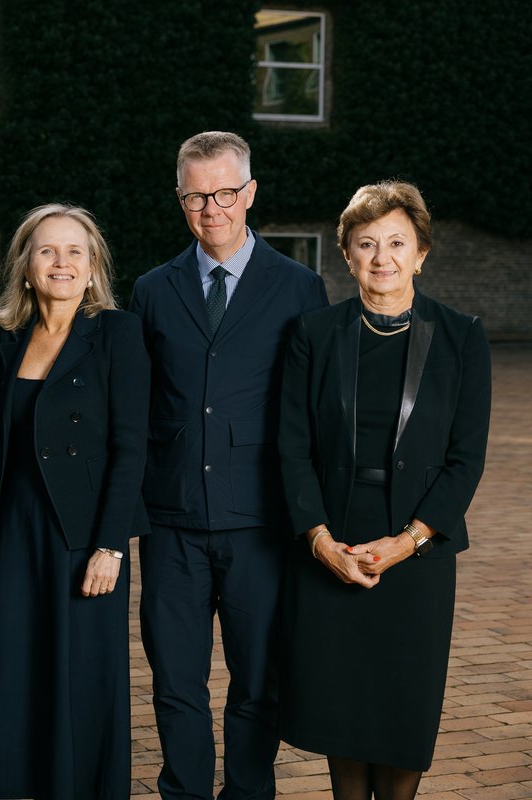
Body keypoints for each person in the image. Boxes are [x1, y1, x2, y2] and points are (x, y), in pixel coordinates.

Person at [128, 131, 329, 800]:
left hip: (261, 519)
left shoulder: (300, 288)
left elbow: (312, 410)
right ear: (180, 198)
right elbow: (137, 405)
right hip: (172, 519)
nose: (211, 208)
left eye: (223, 193)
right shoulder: (153, 290)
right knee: (175, 682)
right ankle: (184, 791)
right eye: (195, 195)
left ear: (249, 193)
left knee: (258, 680)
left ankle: (249, 791)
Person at [277, 181, 490, 800]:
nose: (382, 257)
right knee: (343, 713)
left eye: (397, 242)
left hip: (418, 552)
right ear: (347, 255)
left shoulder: (460, 336)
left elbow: (465, 459)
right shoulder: (314, 333)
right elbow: (290, 449)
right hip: (333, 541)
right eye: (366, 243)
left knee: (404, 711)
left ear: (422, 252)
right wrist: (320, 542)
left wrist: (410, 541)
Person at [0, 204, 150, 798]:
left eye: (74, 252)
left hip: (84, 537)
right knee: (16, 669)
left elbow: (131, 447)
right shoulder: (8, 336)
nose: (60, 263)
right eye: (47, 251)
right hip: (13, 532)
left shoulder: (118, 332)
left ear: (92, 268)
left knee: (83, 676)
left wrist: (110, 545)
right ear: (27, 266)